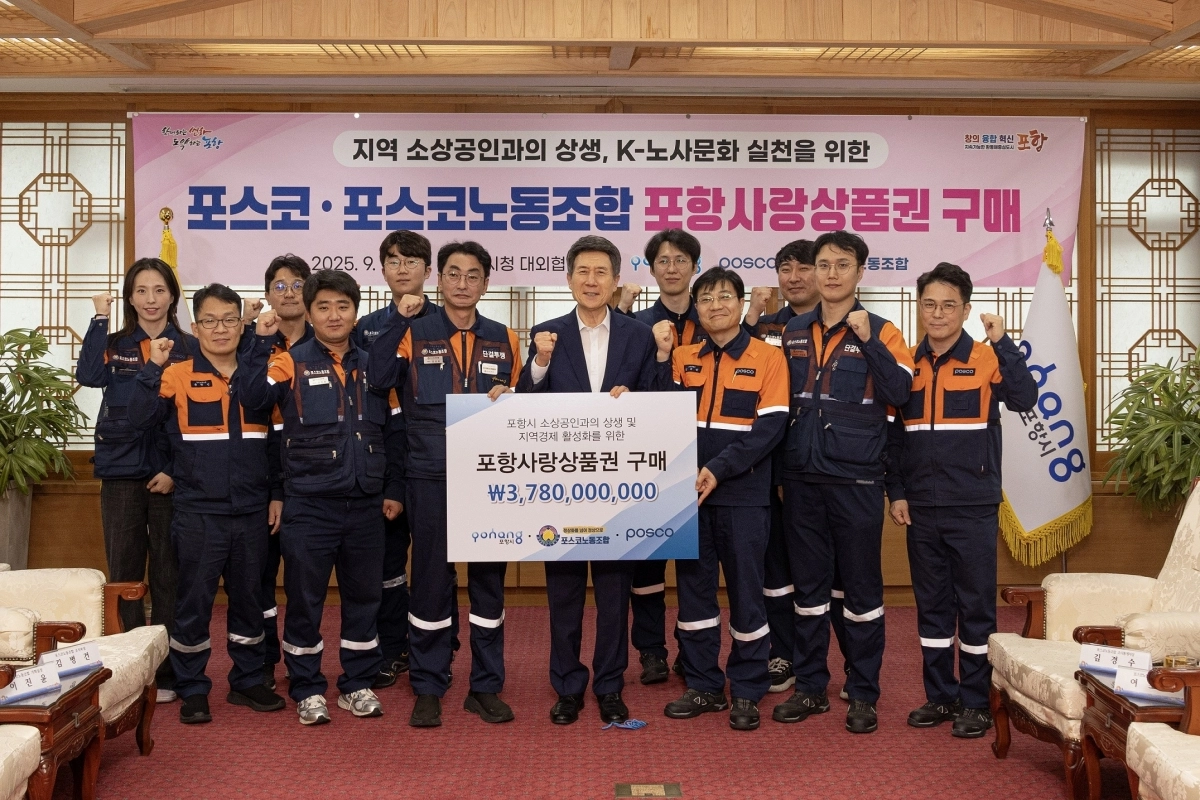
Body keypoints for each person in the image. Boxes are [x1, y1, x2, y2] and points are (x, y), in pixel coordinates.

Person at [517, 234, 669, 726]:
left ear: (616, 280)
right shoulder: (546, 333)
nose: (591, 280)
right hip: (562, 489)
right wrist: (539, 362)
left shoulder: (638, 335)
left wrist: (645, 385)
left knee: (613, 598)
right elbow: (523, 408)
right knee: (562, 596)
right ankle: (567, 686)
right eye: (582, 271)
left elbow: (657, 404)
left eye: (601, 272)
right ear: (568, 279)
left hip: (617, 489)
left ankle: (609, 686)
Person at [368, 240, 521, 728]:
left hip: (490, 479)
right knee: (431, 584)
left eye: (473, 275)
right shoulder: (413, 331)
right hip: (430, 476)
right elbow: (378, 378)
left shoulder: (505, 337)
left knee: (488, 586)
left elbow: (527, 408)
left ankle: (486, 686)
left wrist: (513, 395)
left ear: (486, 283)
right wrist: (398, 321)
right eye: (453, 274)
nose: (462, 284)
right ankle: (429, 685)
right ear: (439, 279)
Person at [886, 262, 1037, 739]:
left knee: (975, 608)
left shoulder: (988, 358)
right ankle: (940, 696)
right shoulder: (906, 365)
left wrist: (1003, 342)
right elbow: (893, 438)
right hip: (920, 508)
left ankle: (975, 701)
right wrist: (896, 492)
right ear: (919, 308)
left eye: (949, 305)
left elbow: (1025, 397)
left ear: (966, 310)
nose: (938, 313)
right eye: (929, 304)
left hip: (972, 505)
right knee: (931, 607)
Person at [128, 284, 287, 724]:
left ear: (241, 324)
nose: (221, 329)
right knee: (193, 603)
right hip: (198, 512)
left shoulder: (260, 375)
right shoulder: (176, 373)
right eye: (210, 321)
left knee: (250, 600)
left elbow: (276, 443)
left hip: (252, 510)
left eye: (230, 320)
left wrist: (277, 494)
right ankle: (193, 687)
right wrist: (151, 366)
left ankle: (248, 681)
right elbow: (139, 420)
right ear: (195, 328)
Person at [776, 230, 914, 735]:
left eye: (842, 264)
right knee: (809, 590)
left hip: (857, 478)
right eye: (824, 264)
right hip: (801, 477)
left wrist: (869, 340)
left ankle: (863, 691)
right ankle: (811, 687)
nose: (831, 274)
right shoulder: (793, 330)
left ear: (860, 272)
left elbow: (902, 391)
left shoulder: (884, 330)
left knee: (861, 591)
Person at [241, 269, 390, 726]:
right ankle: (306, 687)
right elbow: (252, 398)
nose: (334, 315)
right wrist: (258, 343)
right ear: (309, 312)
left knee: (364, 599)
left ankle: (357, 683)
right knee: (305, 600)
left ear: (356, 312)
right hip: (309, 503)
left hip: (365, 503)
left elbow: (395, 428)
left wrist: (395, 488)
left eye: (343, 306)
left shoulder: (375, 364)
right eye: (323, 307)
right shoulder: (289, 361)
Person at [657, 267, 788, 731]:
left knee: (747, 595)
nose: (716, 305)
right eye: (707, 298)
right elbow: (662, 416)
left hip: (744, 496)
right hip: (688, 497)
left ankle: (748, 688)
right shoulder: (682, 357)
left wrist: (719, 468)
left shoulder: (768, 357)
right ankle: (704, 685)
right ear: (696, 308)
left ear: (741, 303)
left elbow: (770, 428)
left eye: (725, 296)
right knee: (694, 595)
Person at [76, 257, 194, 704]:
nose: (150, 299)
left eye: (159, 290)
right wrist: (99, 318)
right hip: (121, 470)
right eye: (141, 291)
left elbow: (195, 416)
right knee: (124, 571)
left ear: (172, 295)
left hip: (169, 473)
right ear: (129, 297)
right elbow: (88, 376)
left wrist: (175, 471)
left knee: (168, 573)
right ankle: (128, 669)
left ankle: (165, 672)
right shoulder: (115, 343)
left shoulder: (188, 345)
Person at [743, 240, 852, 699]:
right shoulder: (769, 327)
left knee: (839, 574)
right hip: (769, 468)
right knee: (778, 571)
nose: (794, 277)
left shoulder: (855, 327)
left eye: (804, 268)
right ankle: (783, 654)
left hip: (828, 468)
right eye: (784, 269)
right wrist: (751, 316)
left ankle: (852, 664)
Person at [352, 230, 447, 690]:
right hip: (384, 456)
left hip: (436, 458)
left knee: (438, 562)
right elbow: (367, 384)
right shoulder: (368, 325)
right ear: (383, 269)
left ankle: (440, 646)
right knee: (389, 564)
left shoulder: (447, 321)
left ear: (427, 271)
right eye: (393, 261)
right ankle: (393, 649)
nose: (403, 269)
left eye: (412, 261)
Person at [616, 228, 708, 685]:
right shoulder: (634, 324)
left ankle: (693, 651)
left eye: (681, 260)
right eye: (663, 261)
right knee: (648, 564)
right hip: (652, 460)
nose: (672, 268)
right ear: (651, 269)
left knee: (695, 567)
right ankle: (651, 650)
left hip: (706, 460)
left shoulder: (714, 318)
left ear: (695, 267)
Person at [254, 254, 314, 691]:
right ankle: (262, 663)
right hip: (260, 470)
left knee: (303, 579)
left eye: (297, 285)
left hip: (313, 472)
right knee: (259, 576)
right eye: (280, 285)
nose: (289, 293)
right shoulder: (253, 343)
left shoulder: (329, 341)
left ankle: (301, 662)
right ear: (267, 295)